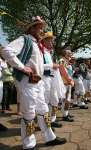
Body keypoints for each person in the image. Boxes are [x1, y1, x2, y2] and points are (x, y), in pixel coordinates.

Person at [0, 16, 66, 150]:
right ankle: (29, 145)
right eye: (39, 27)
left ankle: (50, 138)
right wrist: (22, 67)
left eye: (42, 27)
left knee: (43, 110)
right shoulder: (24, 39)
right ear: (32, 28)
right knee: (29, 113)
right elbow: (6, 51)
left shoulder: (37, 44)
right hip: (27, 82)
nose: (42, 30)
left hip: (38, 83)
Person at [39, 31, 63, 128]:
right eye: (50, 41)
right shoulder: (40, 51)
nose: (52, 43)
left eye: (52, 41)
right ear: (44, 41)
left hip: (51, 79)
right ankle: (44, 124)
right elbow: (38, 66)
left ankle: (52, 120)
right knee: (44, 102)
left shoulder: (49, 53)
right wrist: (52, 65)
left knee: (55, 100)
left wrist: (54, 67)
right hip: (44, 78)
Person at [59, 49, 74, 122]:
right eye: (69, 53)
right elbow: (63, 72)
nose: (71, 54)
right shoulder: (62, 60)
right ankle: (65, 115)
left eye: (70, 53)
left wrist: (71, 80)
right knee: (66, 100)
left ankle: (66, 113)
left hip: (68, 82)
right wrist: (69, 80)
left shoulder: (68, 61)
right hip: (64, 83)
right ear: (64, 54)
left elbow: (70, 73)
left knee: (67, 99)